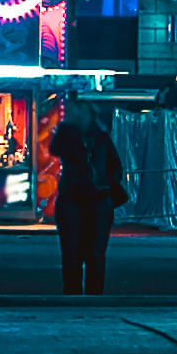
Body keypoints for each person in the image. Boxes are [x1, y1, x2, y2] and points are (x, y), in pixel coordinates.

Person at [46, 98, 126, 293]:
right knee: (71, 252)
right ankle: (73, 294)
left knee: (95, 253)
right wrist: (67, 129)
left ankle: (94, 295)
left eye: (82, 113)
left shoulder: (100, 137)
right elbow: (54, 149)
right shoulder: (66, 136)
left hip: (97, 199)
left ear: (90, 114)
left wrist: (104, 182)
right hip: (72, 199)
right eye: (75, 113)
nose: (78, 116)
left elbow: (116, 167)